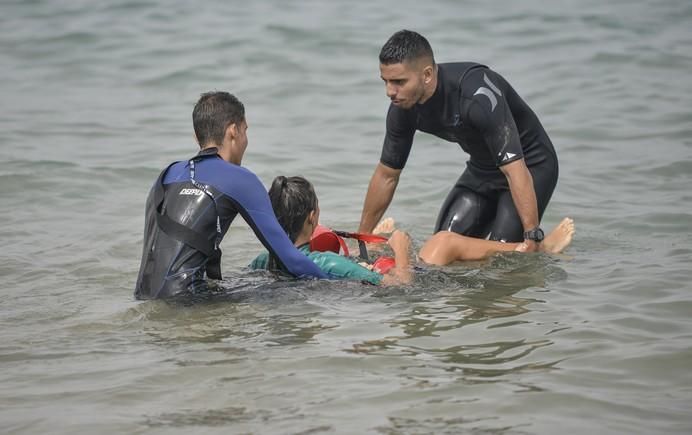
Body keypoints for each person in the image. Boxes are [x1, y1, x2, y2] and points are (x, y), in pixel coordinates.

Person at [359, 30, 559, 252]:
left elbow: (515, 169)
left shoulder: (476, 94)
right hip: (482, 170)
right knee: (437, 251)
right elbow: (387, 175)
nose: (389, 91)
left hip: (530, 165)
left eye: (398, 81)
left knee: (505, 258)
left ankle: (544, 247)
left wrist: (531, 236)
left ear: (426, 74)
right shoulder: (403, 108)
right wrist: (363, 239)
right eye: (385, 81)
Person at [135, 92, 327, 300]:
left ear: (197, 137)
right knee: (288, 288)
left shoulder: (165, 176)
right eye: (245, 130)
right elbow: (292, 261)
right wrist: (342, 285)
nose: (246, 140)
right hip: (186, 302)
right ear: (233, 131)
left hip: (143, 298)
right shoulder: (239, 178)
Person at [250, 175, 575, 285]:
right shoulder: (326, 263)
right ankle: (532, 248)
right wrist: (401, 249)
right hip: (408, 285)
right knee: (443, 243)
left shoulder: (263, 261)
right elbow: (400, 286)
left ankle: (375, 248)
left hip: (346, 284)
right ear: (312, 216)